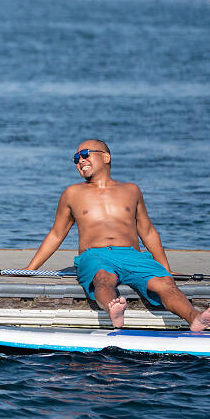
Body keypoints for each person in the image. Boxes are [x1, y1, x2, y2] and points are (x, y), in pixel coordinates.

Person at [25, 139, 209, 331]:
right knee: (103, 279)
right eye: (76, 158)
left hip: (133, 255)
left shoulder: (131, 190)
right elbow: (56, 234)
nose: (80, 160)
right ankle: (113, 310)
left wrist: (165, 268)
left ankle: (194, 318)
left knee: (165, 283)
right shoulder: (72, 193)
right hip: (95, 255)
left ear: (106, 157)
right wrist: (31, 268)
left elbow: (147, 231)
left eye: (85, 154)